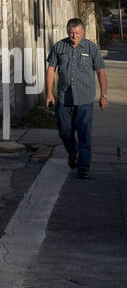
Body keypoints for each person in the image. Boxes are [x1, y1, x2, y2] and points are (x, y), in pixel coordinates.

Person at [45, 17, 108, 179]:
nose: (74, 36)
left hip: (85, 99)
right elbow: (51, 70)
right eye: (71, 33)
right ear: (67, 32)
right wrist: (49, 94)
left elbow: (101, 71)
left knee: (84, 134)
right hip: (65, 99)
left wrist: (104, 95)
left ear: (83, 32)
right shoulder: (59, 47)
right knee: (64, 132)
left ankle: (83, 167)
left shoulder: (92, 48)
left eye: (77, 33)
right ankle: (73, 152)